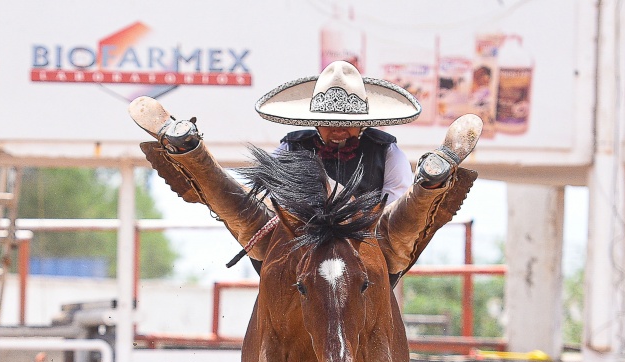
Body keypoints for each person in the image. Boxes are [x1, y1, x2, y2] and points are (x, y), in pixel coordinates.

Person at [129, 60, 482, 279]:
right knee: (239, 206)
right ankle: (188, 148)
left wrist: (350, 216)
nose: (337, 130)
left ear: (363, 122)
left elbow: (395, 202)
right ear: (313, 121)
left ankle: (434, 176)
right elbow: (271, 199)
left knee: (404, 227)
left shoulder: (386, 150)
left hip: (367, 243)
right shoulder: (291, 146)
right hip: (297, 241)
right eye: (328, 123)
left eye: (345, 123)